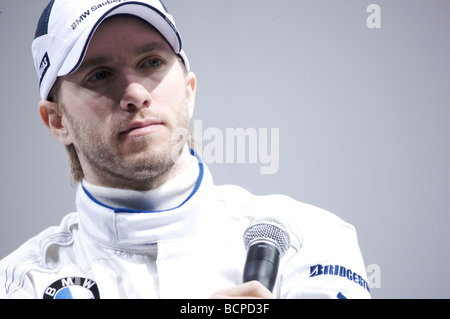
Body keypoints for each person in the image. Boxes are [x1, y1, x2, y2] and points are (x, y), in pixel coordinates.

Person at [0, 0, 371, 299]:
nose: (135, 94)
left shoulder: (307, 238)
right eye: (100, 74)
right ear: (56, 121)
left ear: (189, 91)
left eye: (152, 63)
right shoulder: (21, 282)